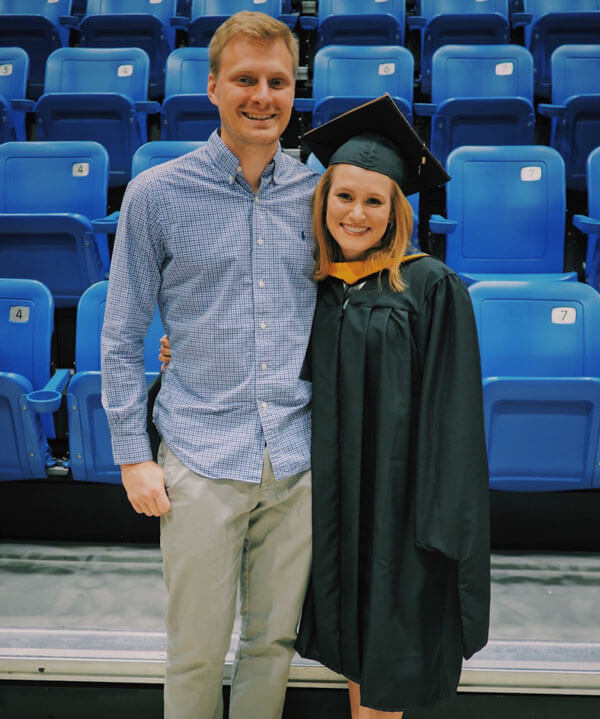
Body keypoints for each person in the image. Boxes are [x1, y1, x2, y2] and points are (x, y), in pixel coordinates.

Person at [162, 95, 491, 717]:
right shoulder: (318, 283)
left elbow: (453, 419)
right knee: (353, 644)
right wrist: (186, 349)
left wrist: (439, 525)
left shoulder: (431, 288)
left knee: (387, 647)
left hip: (401, 504)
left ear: (398, 209)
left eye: (375, 201)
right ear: (322, 200)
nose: (357, 213)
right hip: (330, 494)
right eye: (343, 196)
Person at [101, 12, 319, 719]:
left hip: (295, 456)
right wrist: (133, 454)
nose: (263, 96)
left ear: (295, 88)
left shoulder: (321, 195)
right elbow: (121, 331)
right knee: (194, 651)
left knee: (272, 644)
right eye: (247, 80)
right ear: (214, 86)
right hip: (199, 457)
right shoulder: (158, 193)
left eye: (278, 82)